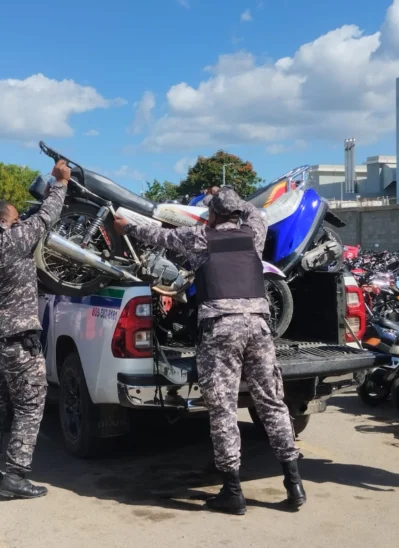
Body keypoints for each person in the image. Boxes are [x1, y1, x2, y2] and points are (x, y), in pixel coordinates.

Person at [114, 186, 304, 515]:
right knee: (272, 403)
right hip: (258, 327)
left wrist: (126, 228)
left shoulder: (201, 237)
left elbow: (157, 237)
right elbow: (255, 212)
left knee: (224, 410)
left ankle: (232, 491)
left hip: (220, 330)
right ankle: (294, 483)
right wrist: (228, 194)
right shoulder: (255, 233)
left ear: (213, 215)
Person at [0, 160, 70, 499]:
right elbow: (46, 216)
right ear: (3, 222)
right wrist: (60, 183)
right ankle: (15, 475)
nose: (19, 222)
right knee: (29, 405)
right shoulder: (11, 241)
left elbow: (26, 224)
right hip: (17, 343)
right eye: (15, 219)